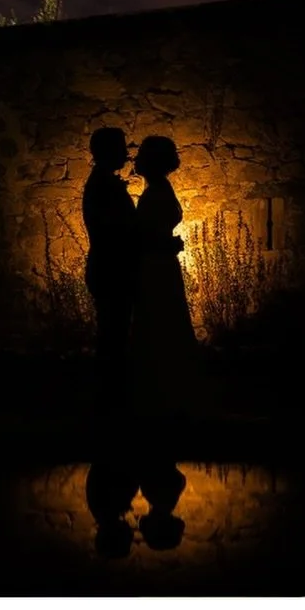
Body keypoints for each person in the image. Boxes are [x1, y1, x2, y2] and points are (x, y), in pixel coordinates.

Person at [129, 134, 202, 419]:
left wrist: (165, 243)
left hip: (157, 266)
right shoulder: (160, 189)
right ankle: (165, 395)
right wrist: (168, 243)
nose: (135, 160)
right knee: (162, 322)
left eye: (142, 155)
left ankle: (161, 396)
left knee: (159, 323)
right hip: (157, 265)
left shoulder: (156, 191)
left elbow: (145, 234)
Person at [81, 126, 139, 413]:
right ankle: (110, 405)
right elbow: (116, 231)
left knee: (113, 335)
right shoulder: (104, 187)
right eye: (121, 149)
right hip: (111, 270)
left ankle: (110, 403)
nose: (127, 155)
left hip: (109, 268)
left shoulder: (102, 183)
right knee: (112, 338)